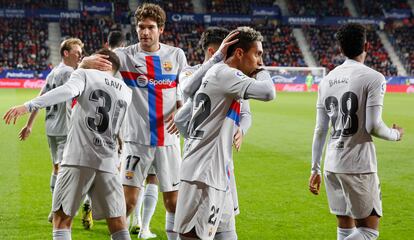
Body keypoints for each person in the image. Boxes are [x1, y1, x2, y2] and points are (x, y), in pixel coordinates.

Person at [81, 3, 187, 239]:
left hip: (168, 140)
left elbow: (186, 88)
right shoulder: (124, 56)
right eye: (141, 27)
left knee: (173, 202)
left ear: (161, 29)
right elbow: (92, 63)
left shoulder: (176, 55)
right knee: (126, 204)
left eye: (150, 27)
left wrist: (181, 108)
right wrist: (85, 62)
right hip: (136, 141)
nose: (145, 32)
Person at [4, 49, 133, 240]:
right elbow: (123, 131)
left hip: (78, 159)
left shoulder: (84, 74)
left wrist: (29, 105)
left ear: (100, 60)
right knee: (118, 224)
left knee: (61, 220)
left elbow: (68, 91)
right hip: (109, 162)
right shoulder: (126, 90)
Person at [174, 26, 275, 240]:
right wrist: (261, 70)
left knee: (227, 233)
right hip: (204, 174)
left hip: (216, 171)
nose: (259, 60)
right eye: (257, 54)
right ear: (239, 53)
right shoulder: (227, 75)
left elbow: (180, 119)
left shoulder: (217, 74)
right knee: (193, 236)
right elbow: (268, 92)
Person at [308, 23, 404, 240]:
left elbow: (321, 129)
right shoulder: (374, 77)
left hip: (332, 164)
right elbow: (374, 126)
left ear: (340, 49)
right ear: (367, 45)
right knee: (368, 231)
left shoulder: (326, 81)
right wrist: (395, 134)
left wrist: (315, 168)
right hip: (358, 164)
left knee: (346, 226)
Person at [17, 38, 83, 223]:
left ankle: (56, 208)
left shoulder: (53, 72)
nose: (80, 56)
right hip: (65, 128)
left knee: (57, 168)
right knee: (69, 170)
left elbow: (40, 98)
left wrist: (29, 125)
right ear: (66, 53)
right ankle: (58, 210)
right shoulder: (70, 73)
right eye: (77, 52)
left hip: (51, 128)